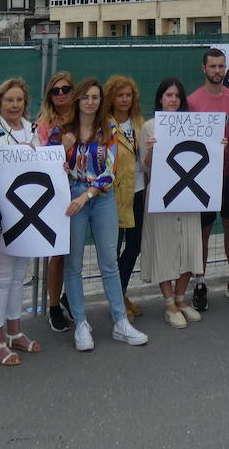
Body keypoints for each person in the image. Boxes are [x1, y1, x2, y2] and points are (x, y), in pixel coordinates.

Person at [61, 78, 148, 350]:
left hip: (100, 197)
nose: (90, 101)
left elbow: (109, 172)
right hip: (72, 195)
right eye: (86, 96)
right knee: (73, 263)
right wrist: (63, 150)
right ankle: (81, 324)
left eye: (95, 97)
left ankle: (120, 322)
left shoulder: (109, 129)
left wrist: (86, 195)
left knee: (109, 261)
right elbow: (53, 165)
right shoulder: (64, 129)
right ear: (78, 100)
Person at [138, 78, 210, 327]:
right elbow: (145, 169)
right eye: (168, 95)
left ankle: (181, 298)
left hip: (189, 197)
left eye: (177, 96)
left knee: (190, 247)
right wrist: (152, 150)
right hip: (162, 198)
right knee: (165, 249)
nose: (173, 100)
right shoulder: (149, 127)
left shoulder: (193, 125)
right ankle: (169, 302)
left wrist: (216, 146)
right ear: (160, 98)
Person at [0, 78, 42, 366]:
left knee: (19, 275)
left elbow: (41, 163)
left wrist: (57, 164)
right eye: (9, 101)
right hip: (4, 216)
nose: (15, 105)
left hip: (30, 213)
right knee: (1, 278)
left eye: (19, 100)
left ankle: (15, 331)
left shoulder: (33, 129)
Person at [188, 48, 229, 310]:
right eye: (212, 66)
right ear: (203, 69)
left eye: (221, 66)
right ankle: (200, 283)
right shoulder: (192, 102)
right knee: (203, 231)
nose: (217, 71)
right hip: (202, 176)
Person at [35, 71, 77, 332]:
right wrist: (62, 146)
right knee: (58, 253)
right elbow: (41, 161)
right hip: (55, 195)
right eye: (55, 90)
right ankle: (53, 306)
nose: (61, 94)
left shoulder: (83, 117)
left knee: (76, 252)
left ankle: (69, 297)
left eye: (65, 89)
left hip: (81, 192)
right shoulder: (43, 124)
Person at [107, 74, 146, 319]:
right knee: (112, 250)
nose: (124, 99)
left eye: (128, 95)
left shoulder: (140, 123)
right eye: (119, 95)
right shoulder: (105, 125)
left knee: (134, 246)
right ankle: (116, 300)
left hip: (139, 191)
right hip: (113, 194)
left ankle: (120, 292)